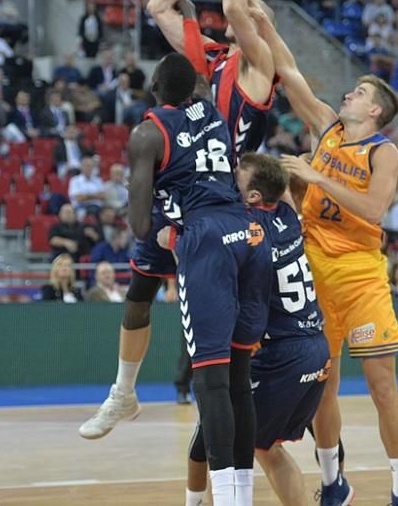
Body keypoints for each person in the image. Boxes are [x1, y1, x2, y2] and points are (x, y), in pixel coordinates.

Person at [78, 0, 277, 446]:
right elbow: (158, 6)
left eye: (252, 14)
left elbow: (236, 5)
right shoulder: (209, 62)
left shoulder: (260, 69)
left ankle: (240, 415)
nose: (240, 13)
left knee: (226, 349)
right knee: (141, 285)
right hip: (183, 194)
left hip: (225, 207)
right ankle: (123, 392)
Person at [80, 54, 273, 506]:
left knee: (208, 372)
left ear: (152, 87)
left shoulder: (147, 133)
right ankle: (123, 394)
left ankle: (221, 492)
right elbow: (194, 73)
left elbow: (141, 225)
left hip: (192, 228)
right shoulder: (208, 103)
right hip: (239, 227)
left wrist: (154, 219)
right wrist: (189, 22)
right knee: (144, 297)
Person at [252, 8, 398, 506]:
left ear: (376, 112)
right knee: (322, 383)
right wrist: (265, 26)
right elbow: (290, 71)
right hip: (314, 267)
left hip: (361, 275)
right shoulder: (327, 128)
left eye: (360, 93)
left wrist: (318, 178)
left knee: (382, 385)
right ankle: (333, 482)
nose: (349, 95)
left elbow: (373, 208)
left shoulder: (383, 152)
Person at [176, 152, 330, 506]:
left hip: (283, 352)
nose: (230, 180)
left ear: (254, 198)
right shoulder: (287, 214)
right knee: (231, 438)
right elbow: (286, 188)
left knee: (243, 443)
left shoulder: (250, 232)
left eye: (237, 177)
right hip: (313, 345)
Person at [147, 0, 276, 162]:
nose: (242, 8)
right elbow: (158, 8)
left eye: (251, 8)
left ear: (261, 28)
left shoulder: (260, 62)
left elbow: (232, 7)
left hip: (228, 186)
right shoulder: (213, 55)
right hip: (192, 173)